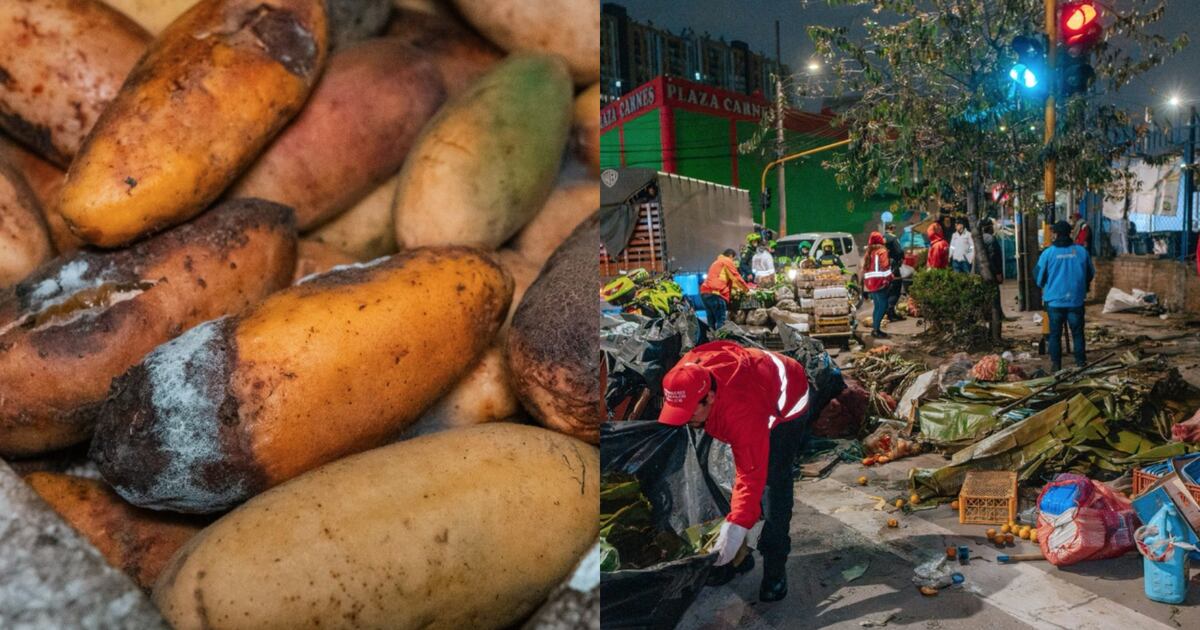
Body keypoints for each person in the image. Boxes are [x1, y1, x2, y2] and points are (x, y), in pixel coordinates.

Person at [658, 341, 810, 602]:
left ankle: (775, 569)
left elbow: (751, 475)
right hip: (750, 386)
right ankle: (736, 558)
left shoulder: (742, 411)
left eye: (689, 413)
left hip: (786, 403)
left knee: (772, 485)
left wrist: (738, 523)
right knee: (707, 469)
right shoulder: (684, 377)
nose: (684, 420)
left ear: (710, 398)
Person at [1035, 221, 1095, 371]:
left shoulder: (1048, 253)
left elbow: (1038, 277)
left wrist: (1047, 286)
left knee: (1055, 335)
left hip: (1054, 302)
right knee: (1078, 334)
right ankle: (1081, 363)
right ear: (1070, 233)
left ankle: (1056, 366)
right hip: (1075, 301)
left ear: (1054, 234)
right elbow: (1090, 274)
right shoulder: (1081, 251)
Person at [700, 248, 748, 330]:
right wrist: (746, 290)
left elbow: (724, 279)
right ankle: (720, 341)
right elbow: (736, 277)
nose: (733, 261)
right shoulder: (727, 261)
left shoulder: (716, 262)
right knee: (720, 321)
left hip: (705, 293)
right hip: (716, 294)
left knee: (711, 321)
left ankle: (712, 340)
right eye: (733, 259)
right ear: (730, 256)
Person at [861, 231, 894, 338]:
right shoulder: (882, 251)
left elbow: (864, 269)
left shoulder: (868, 252)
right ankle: (876, 330)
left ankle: (875, 329)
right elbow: (885, 266)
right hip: (880, 282)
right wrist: (890, 277)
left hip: (870, 283)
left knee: (877, 306)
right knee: (883, 306)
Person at [980, 218, 1007, 319]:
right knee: (994, 295)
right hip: (991, 272)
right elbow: (994, 258)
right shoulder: (991, 239)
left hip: (981, 272)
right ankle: (995, 317)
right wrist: (998, 273)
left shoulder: (979, 239)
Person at [883, 224, 905, 321]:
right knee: (896, 287)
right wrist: (901, 258)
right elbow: (899, 251)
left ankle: (886, 312)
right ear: (892, 228)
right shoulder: (893, 238)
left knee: (887, 289)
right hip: (893, 265)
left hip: (883, 267)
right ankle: (890, 312)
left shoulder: (881, 237)